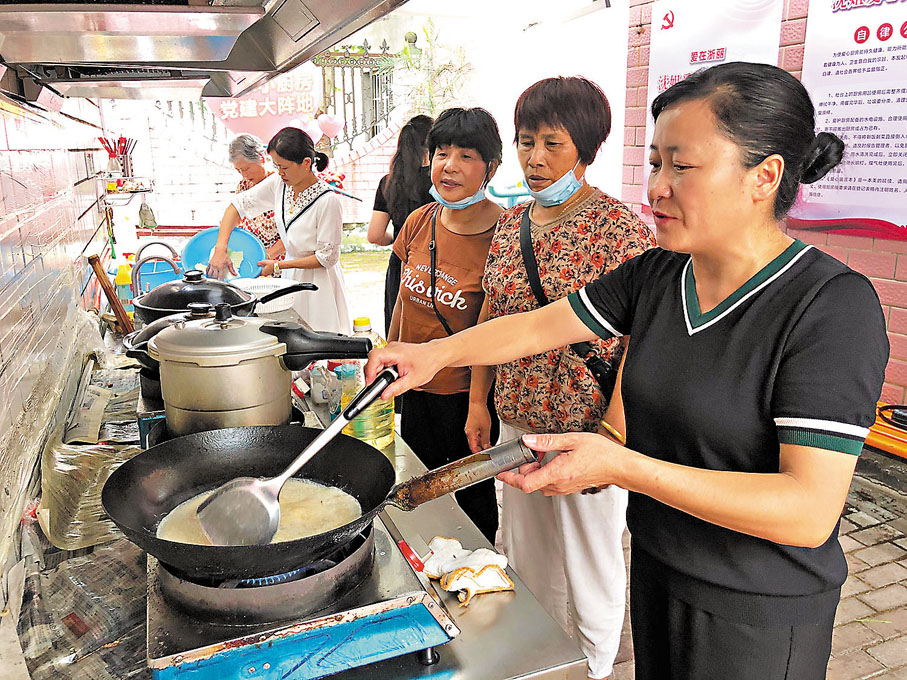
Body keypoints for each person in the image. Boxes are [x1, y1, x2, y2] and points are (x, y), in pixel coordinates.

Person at [366, 62, 889, 680]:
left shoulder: (828, 305)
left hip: (754, 610)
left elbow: (807, 511)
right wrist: (434, 355)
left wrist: (620, 462)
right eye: (656, 164)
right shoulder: (664, 276)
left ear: (764, 176)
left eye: (681, 166)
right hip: (661, 570)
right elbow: (538, 324)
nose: (657, 188)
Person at [463, 76, 655, 680]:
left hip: (586, 431)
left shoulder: (618, 229)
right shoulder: (513, 222)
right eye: (526, 141)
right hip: (517, 418)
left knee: (592, 561)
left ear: (587, 149)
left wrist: (614, 436)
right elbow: (493, 313)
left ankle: (595, 668)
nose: (535, 158)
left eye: (553, 142)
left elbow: (642, 341)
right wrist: (479, 402)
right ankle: (538, 664)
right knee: (523, 556)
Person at [388, 107, 504, 543]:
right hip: (415, 387)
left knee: (471, 497)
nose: (449, 165)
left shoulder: (505, 234)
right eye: (441, 152)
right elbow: (403, 301)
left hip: (462, 394)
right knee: (419, 489)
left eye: (467, 155)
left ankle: (478, 572)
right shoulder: (421, 220)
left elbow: (491, 326)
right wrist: (389, 363)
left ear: (490, 167)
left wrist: (478, 404)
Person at [209, 127, 351, 334]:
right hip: (288, 276)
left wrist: (278, 265)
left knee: (319, 338)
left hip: (319, 283)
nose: (280, 172)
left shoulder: (328, 201)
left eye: (284, 167)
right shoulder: (279, 184)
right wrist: (220, 247)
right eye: (276, 166)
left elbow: (326, 258)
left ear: (306, 163)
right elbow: (236, 207)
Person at [367, 114, 434, 336]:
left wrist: (397, 239)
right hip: (436, 264)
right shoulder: (442, 182)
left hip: (401, 262)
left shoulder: (389, 182)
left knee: (399, 330)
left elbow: (375, 235)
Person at [227, 134, 283, 260]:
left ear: (261, 158)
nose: (244, 175)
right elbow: (236, 218)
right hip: (254, 257)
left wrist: (268, 256)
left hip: (280, 261)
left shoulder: (281, 183)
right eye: (238, 171)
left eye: (246, 168)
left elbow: (295, 231)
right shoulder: (243, 186)